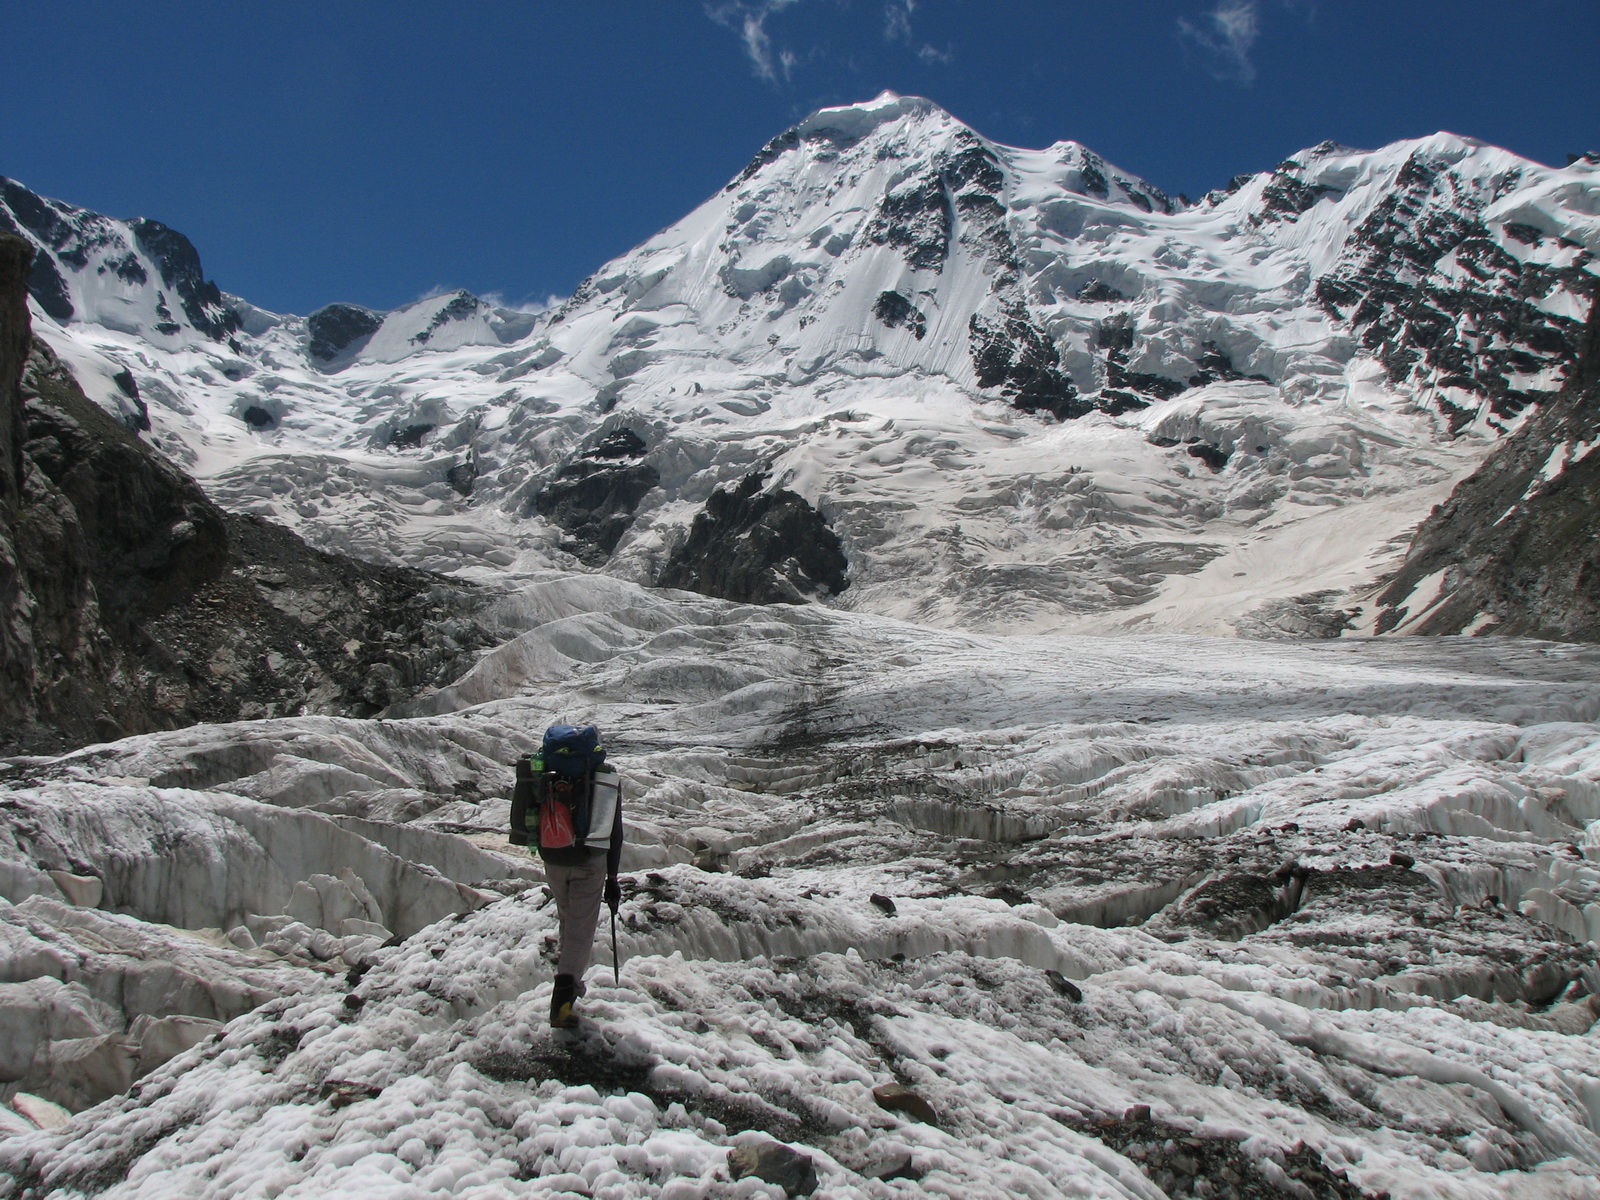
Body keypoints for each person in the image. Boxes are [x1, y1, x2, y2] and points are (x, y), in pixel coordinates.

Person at [509, 723, 624, 1029]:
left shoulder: (546, 767)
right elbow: (614, 831)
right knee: (581, 930)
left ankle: (567, 981)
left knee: (567, 918)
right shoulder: (603, 774)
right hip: (588, 858)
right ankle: (562, 1001)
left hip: (553, 854)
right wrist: (612, 878)